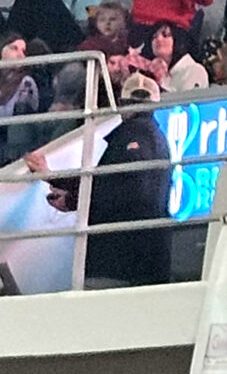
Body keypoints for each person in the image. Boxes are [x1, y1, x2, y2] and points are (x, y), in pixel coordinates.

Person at [24, 71, 172, 287]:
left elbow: (122, 191)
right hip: (144, 261)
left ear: (121, 103)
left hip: (118, 260)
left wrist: (56, 180)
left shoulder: (131, 137)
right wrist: (71, 195)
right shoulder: (156, 139)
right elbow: (117, 187)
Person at [0, 33, 40, 165]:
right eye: (14, 48)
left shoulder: (26, 82)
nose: (20, 55)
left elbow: (17, 116)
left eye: (23, 51)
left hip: (10, 136)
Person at [145, 22, 209, 95]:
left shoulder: (195, 70)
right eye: (154, 36)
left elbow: (185, 102)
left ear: (177, 39)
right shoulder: (157, 73)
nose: (159, 39)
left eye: (165, 35)